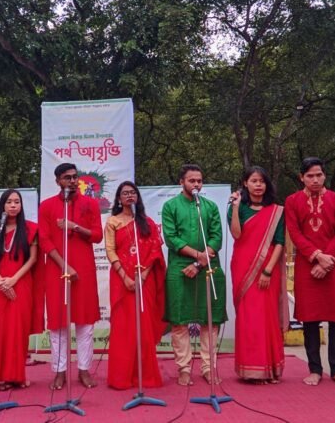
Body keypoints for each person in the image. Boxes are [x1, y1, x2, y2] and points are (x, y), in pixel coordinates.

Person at [285, 158, 335, 387]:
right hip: (307, 265)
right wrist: (316, 256)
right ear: (301, 177)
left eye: (319, 175)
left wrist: (325, 261)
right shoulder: (292, 201)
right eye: (310, 176)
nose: (315, 180)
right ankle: (314, 369)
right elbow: (295, 233)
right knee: (310, 320)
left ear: (324, 175)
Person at [38, 163, 103, 390]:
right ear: (58, 181)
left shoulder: (90, 204)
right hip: (57, 269)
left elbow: (97, 236)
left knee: (85, 323)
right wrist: (65, 265)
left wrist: (75, 227)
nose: (73, 181)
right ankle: (59, 371)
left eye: (75, 177)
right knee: (58, 324)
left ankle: (84, 370)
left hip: (84, 269)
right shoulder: (47, 206)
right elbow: (44, 240)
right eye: (67, 177)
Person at [161, 164, 227, 386]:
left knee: (210, 319)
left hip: (208, 267)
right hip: (180, 267)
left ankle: (208, 367)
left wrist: (200, 262)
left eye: (199, 180)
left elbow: (217, 237)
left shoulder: (209, 207)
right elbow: (171, 238)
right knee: (180, 321)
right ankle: (184, 368)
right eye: (192, 180)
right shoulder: (170, 206)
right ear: (181, 182)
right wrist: (197, 255)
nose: (196, 184)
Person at [228, 166, 288, 384]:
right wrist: (235, 207)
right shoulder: (238, 208)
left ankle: (270, 368)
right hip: (243, 268)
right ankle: (251, 370)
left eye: (262, 181)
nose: (258, 185)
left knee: (267, 317)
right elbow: (236, 234)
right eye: (254, 181)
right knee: (249, 318)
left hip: (268, 269)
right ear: (245, 183)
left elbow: (280, 242)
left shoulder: (276, 210)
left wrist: (268, 270)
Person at [105, 181, 166, 390]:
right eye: (125, 193)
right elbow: (110, 250)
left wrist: (142, 276)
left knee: (143, 326)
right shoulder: (112, 222)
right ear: (119, 199)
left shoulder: (147, 223)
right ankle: (121, 377)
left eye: (133, 192)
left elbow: (155, 251)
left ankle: (145, 377)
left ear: (137, 197)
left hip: (144, 281)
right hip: (122, 280)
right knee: (124, 328)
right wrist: (125, 277)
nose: (129, 196)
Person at [0, 189, 39, 390]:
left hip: (20, 283)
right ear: (2, 205)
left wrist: (13, 280)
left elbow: (33, 259)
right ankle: (0, 377)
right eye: (9, 202)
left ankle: (16, 376)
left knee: (18, 331)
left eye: (17, 202)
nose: (13, 205)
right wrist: (1, 282)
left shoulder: (30, 229)